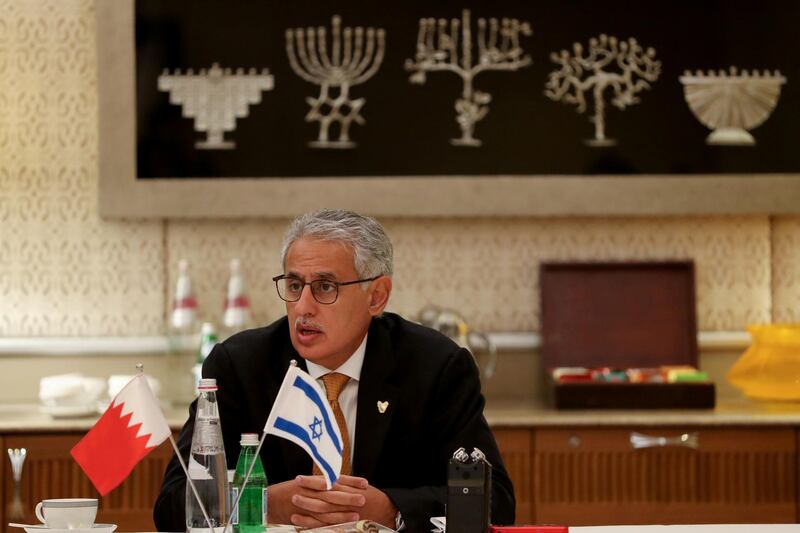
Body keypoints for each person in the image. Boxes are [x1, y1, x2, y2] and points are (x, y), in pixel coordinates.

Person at [154, 209, 515, 532]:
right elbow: (172, 504)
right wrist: (261, 504)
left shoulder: (436, 366)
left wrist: (391, 510)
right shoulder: (238, 366)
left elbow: (494, 501)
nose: (303, 307)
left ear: (376, 297)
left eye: (325, 287)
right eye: (294, 285)